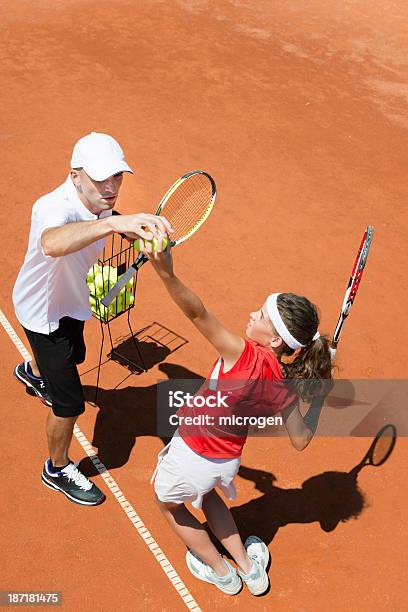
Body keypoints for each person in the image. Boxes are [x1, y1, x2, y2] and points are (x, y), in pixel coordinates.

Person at [143, 238, 333, 596]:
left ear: (276, 340)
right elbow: (301, 440)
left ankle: (221, 573)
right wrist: (320, 396)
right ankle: (249, 569)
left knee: (166, 504)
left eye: (261, 316)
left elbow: (196, 313)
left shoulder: (243, 355)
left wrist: (165, 271)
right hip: (226, 461)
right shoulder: (285, 383)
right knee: (209, 496)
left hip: (192, 453)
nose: (251, 314)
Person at [12, 132, 173, 506]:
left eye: (117, 176)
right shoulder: (52, 206)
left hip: (69, 304)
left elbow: (109, 220)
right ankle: (56, 468)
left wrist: (137, 232)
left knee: (78, 357)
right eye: (101, 178)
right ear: (74, 175)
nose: (111, 186)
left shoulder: (99, 202)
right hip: (43, 315)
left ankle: (34, 373)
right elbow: (52, 242)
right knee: (69, 403)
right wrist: (113, 225)